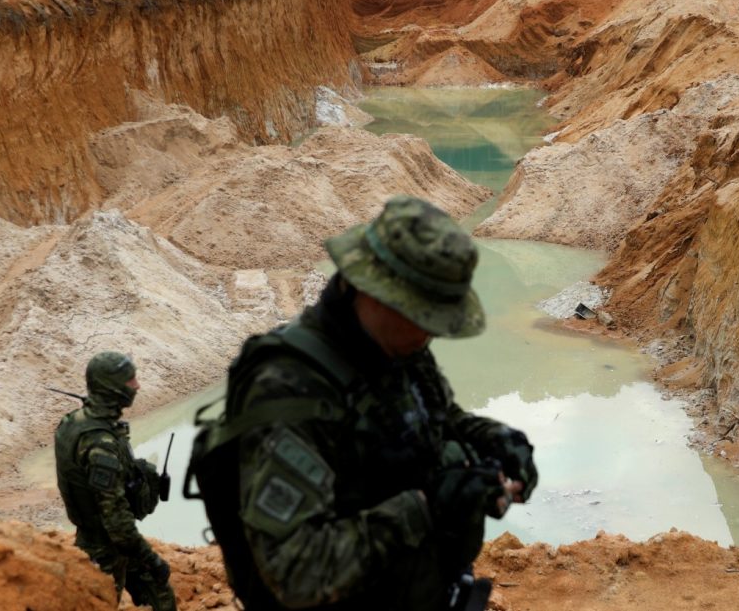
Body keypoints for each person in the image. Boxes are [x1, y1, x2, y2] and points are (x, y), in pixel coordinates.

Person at [191, 195, 538, 611]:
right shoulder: (289, 388)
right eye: (423, 317)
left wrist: (497, 438)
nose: (431, 335)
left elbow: (439, 417)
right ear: (372, 290)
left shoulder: (394, 346)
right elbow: (296, 570)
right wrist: (428, 506)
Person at [55, 352, 177, 611]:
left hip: (108, 540)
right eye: (130, 380)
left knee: (158, 591)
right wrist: (150, 558)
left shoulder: (75, 422)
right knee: (104, 602)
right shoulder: (100, 444)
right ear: (113, 387)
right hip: (105, 549)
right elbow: (116, 519)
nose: (137, 386)